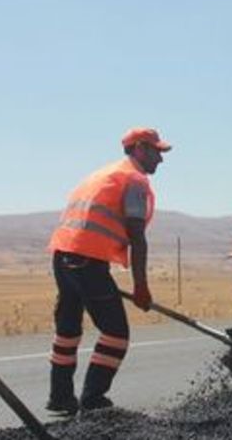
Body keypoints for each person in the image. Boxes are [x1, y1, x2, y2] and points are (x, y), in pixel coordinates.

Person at [45, 127, 168, 414]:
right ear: (139, 148)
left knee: (68, 330)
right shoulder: (134, 179)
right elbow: (137, 236)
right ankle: (94, 400)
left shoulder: (101, 174)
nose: (160, 160)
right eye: (156, 151)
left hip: (63, 256)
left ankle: (60, 397)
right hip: (87, 260)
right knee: (115, 333)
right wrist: (141, 286)